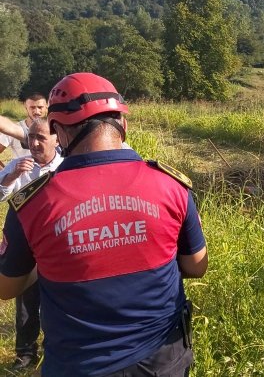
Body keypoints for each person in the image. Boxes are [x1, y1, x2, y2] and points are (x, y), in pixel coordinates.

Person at [0, 72, 208, 376]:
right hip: (164, 361)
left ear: (59, 132)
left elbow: (7, 287)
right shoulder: (171, 186)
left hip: (78, 365)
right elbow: (196, 266)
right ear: (123, 124)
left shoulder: (31, 204)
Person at [0, 118, 62, 369]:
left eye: (41, 138)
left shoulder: (67, 167)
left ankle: (55, 351)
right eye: (31, 138)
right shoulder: (19, 164)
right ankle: (25, 356)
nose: (34, 144)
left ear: (57, 139)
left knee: (58, 299)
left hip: (58, 245)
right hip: (26, 245)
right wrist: (11, 176)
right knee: (26, 301)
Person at [0, 93, 48, 168]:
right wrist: (5, 173)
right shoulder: (15, 129)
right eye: (32, 107)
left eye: (40, 107)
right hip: (22, 177)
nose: (36, 111)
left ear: (46, 107)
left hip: (48, 176)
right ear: (26, 107)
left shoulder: (55, 128)